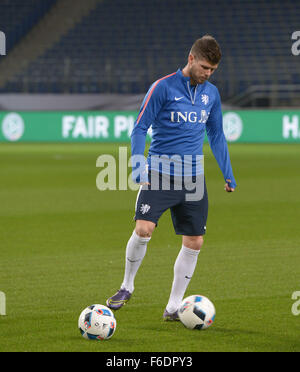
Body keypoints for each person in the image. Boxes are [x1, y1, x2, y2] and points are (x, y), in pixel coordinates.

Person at [106, 35, 237, 320]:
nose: (207, 74)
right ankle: (127, 286)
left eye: (213, 70)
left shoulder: (211, 94)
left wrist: (228, 172)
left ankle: (174, 307)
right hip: (160, 173)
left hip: (193, 179)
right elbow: (140, 128)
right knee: (143, 229)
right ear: (191, 59)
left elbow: (215, 134)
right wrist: (138, 166)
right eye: (204, 67)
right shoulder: (162, 88)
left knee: (195, 242)